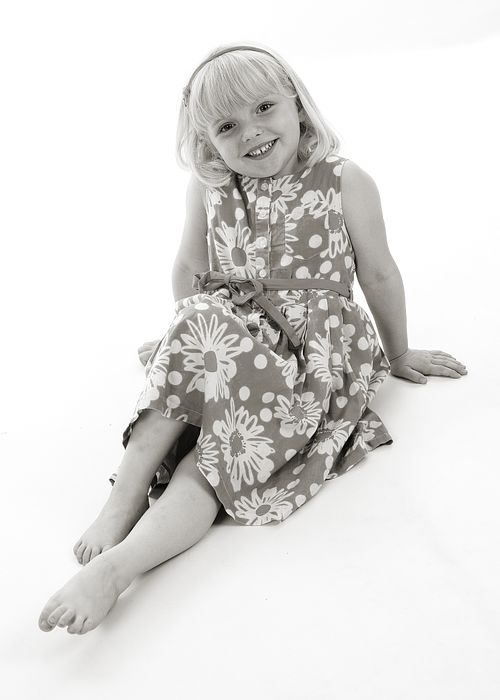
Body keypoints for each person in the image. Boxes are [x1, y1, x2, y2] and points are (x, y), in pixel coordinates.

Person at [38, 41, 467, 635]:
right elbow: (190, 270)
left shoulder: (343, 180)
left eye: (264, 108)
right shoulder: (210, 187)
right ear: (206, 142)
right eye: (227, 126)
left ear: (296, 102)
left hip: (314, 353)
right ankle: (125, 500)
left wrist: (398, 352)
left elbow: (379, 274)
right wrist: (183, 349)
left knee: (219, 458)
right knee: (195, 340)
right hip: (231, 333)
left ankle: (119, 568)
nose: (252, 133)